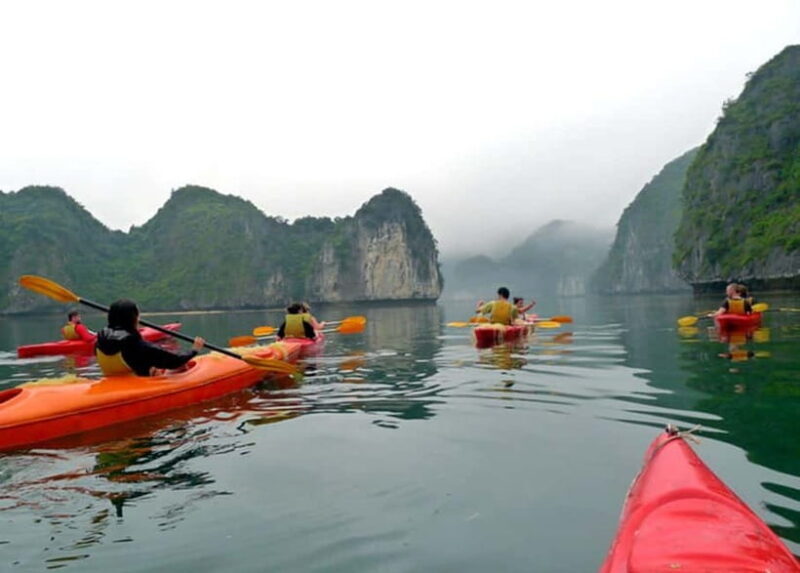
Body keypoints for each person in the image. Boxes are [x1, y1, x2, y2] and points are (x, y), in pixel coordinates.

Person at [95, 299, 204, 377]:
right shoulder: (135, 345)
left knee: (153, 368)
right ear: (134, 317)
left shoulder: (100, 339)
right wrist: (194, 350)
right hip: (135, 385)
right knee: (181, 366)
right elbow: (175, 361)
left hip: (113, 382)